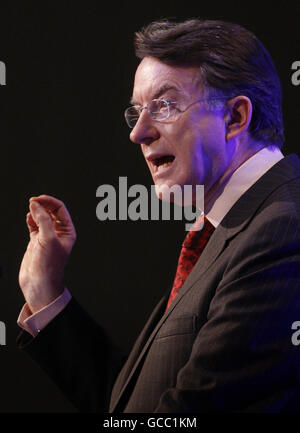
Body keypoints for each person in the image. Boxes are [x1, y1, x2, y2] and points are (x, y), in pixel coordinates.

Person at [17, 18, 300, 413]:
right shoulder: (229, 226)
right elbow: (135, 407)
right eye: (136, 112)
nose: (138, 133)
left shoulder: (282, 231)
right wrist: (45, 293)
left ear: (235, 117)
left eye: (165, 105)